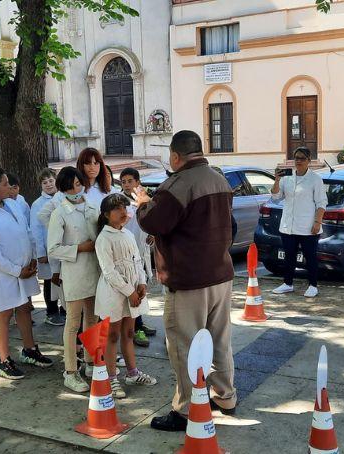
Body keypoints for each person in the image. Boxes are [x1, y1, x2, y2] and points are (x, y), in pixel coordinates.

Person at [134, 130, 238, 430]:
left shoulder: (178, 184)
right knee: (220, 340)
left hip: (189, 278)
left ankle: (185, 409)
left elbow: (155, 221)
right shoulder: (219, 179)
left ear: (176, 156)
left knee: (184, 344)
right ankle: (226, 396)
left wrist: (143, 202)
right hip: (220, 273)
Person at [0, 168, 53, 379]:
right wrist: (17, 271)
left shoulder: (14, 205)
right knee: (4, 313)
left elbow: (26, 231)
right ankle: (4, 360)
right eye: (6, 184)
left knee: (25, 307)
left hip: (25, 269)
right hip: (6, 273)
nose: (10, 187)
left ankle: (29, 349)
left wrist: (33, 256)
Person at [95, 193, 158, 398]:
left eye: (124, 207)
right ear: (106, 215)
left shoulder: (128, 235)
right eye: (117, 209)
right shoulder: (104, 239)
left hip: (132, 291)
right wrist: (129, 291)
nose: (123, 212)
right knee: (112, 335)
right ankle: (111, 378)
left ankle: (132, 372)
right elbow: (109, 271)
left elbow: (137, 261)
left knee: (129, 333)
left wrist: (141, 283)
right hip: (114, 293)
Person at [47, 166, 100, 392]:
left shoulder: (91, 207)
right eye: (70, 187)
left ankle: (90, 362)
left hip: (94, 271)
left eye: (78, 185)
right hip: (74, 273)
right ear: (63, 190)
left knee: (92, 320)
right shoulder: (60, 213)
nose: (75, 190)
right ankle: (70, 370)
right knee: (73, 323)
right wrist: (80, 248)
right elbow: (53, 248)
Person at [270, 147, 328, 298]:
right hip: (288, 226)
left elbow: (321, 203)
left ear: (309, 160)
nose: (299, 161)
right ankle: (288, 283)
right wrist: (276, 179)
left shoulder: (315, 179)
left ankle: (313, 285)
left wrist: (317, 222)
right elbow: (276, 196)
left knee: (310, 257)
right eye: (296, 158)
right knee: (289, 256)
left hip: (308, 226)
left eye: (302, 158)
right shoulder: (287, 178)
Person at [119, 167, 158, 347]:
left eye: (130, 181)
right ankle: (134, 330)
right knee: (132, 292)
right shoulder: (119, 201)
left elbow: (151, 219)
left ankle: (140, 324)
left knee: (141, 289)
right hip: (126, 253)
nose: (127, 185)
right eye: (124, 182)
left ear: (137, 182)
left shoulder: (144, 198)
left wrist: (152, 232)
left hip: (141, 252)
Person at [37, 147, 117, 227]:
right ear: (81, 165)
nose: (92, 167)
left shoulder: (110, 190)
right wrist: (63, 234)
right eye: (88, 163)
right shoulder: (69, 190)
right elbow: (43, 215)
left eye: (96, 163)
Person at [30, 168, 65, 326]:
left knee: (64, 279)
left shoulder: (64, 197)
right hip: (48, 248)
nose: (49, 184)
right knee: (51, 281)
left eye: (51, 181)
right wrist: (41, 252)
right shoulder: (37, 204)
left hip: (64, 247)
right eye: (45, 182)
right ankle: (51, 312)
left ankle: (65, 309)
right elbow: (36, 230)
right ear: (41, 185)